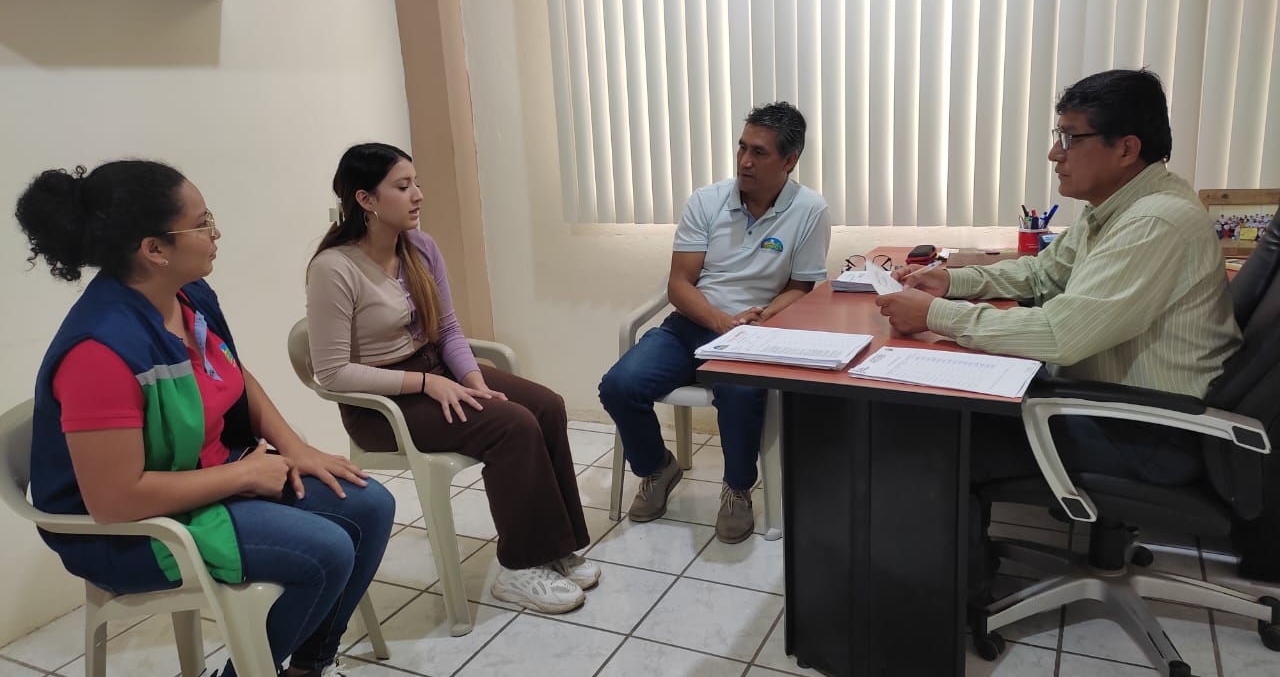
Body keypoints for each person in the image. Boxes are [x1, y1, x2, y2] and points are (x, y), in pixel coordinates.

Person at [17, 160, 395, 677]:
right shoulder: (99, 351)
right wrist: (244, 475)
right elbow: (114, 501)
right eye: (202, 223)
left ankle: (308, 667)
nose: (216, 233)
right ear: (154, 249)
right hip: (133, 533)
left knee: (370, 505)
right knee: (325, 552)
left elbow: (233, 374)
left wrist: (296, 449)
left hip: (206, 478)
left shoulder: (186, 296)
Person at [875, 69, 1241, 598]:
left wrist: (934, 315)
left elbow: (1060, 334)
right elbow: (1042, 274)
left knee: (937, 437)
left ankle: (953, 602)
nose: (1054, 154)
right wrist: (952, 281)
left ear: (1126, 148)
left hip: (1147, 433)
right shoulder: (1117, 207)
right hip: (1116, 404)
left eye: (1070, 138)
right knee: (948, 409)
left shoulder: (1154, 222)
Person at [305, 142, 598, 615]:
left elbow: (448, 330)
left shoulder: (420, 247)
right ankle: (519, 567)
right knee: (512, 426)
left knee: (545, 406)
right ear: (366, 199)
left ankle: (553, 546)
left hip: (435, 372)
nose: (418, 194)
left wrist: (472, 379)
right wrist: (426, 385)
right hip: (381, 407)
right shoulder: (333, 268)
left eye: (416, 183)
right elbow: (333, 373)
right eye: (403, 186)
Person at [598, 102, 832, 544]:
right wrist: (723, 322)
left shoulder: (810, 210)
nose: (745, 161)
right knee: (619, 385)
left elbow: (801, 287)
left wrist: (763, 318)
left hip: (754, 335)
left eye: (759, 152)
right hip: (692, 324)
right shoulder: (707, 201)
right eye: (742, 148)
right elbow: (679, 284)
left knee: (739, 391)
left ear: (789, 161)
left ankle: (737, 489)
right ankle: (657, 468)